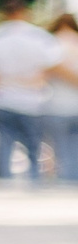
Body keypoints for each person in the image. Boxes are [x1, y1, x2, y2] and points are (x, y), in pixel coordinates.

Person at [0, 0, 58, 182]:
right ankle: (34, 185)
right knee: (34, 148)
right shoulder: (39, 37)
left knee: (4, 146)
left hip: (2, 98)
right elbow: (51, 66)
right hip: (32, 100)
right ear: (25, 11)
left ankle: (3, 185)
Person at [45, 13, 78, 181]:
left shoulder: (52, 43)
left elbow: (45, 72)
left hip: (57, 105)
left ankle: (66, 185)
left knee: (61, 151)